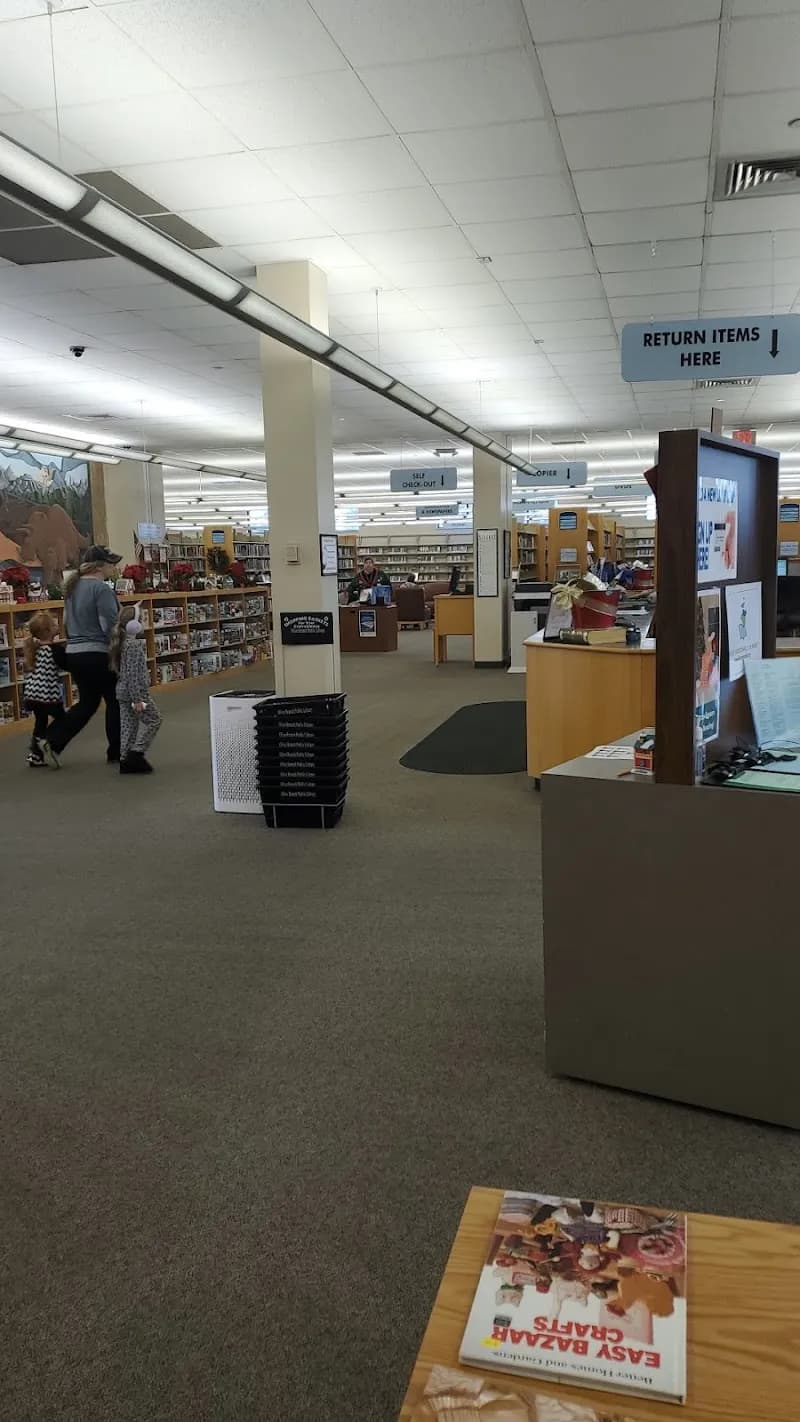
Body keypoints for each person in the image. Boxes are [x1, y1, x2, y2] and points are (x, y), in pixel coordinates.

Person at [36, 545, 122, 768]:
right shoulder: (101, 590)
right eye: (111, 563)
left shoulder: (72, 589)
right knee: (115, 700)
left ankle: (51, 740)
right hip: (99, 654)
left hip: (75, 654)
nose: (114, 567)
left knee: (87, 703)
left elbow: (65, 624)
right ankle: (117, 750)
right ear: (100, 566)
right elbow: (109, 625)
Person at [110, 605, 162, 775]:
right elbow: (132, 674)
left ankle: (125, 759)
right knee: (155, 720)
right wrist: (138, 699)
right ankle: (136, 753)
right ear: (134, 624)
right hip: (136, 693)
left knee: (128, 727)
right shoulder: (132, 645)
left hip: (123, 693)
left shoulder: (122, 642)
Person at [22, 611, 65, 768]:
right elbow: (66, 664)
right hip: (47, 695)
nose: (57, 626)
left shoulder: (35, 648)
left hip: (32, 694)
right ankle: (47, 741)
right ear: (47, 631)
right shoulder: (53, 651)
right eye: (54, 625)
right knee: (63, 719)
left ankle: (35, 754)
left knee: (40, 722)